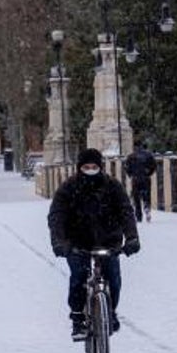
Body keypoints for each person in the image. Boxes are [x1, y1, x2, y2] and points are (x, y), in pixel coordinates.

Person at [48, 148, 140, 341]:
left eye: (94, 167)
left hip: (108, 241)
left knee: (113, 277)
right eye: (86, 167)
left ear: (101, 167)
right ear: (79, 168)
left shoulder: (112, 187)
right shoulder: (69, 188)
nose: (90, 170)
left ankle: (110, 311)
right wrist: (59, 242)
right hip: (76, 242)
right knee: (79, 276)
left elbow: (126, 212)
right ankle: (78, 318)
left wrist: (131, 238)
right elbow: (57, 216)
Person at [122, 140, 158, 223]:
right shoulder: (149, 155)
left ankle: (139, 216)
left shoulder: (131, 156)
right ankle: (147, 207)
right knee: (146, 194)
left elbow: (127, 167)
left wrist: (130, 174)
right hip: (145, 178)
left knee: (136, 197)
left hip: (135, 179)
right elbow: (154, 166)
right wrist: (148, 173)